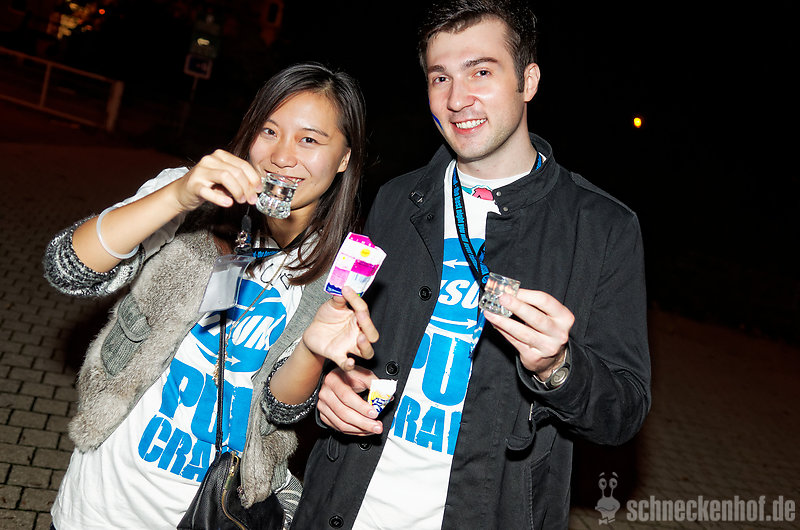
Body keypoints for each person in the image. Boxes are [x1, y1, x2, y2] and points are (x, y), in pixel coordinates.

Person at [268, 1, 651, 528]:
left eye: (481, 72)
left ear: (528, 81)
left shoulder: (602, 228)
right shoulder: (396, 200)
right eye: (440, 77)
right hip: (344, 505)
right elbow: (348, 336)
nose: (456, 99)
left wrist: (558, 367)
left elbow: (622, 414)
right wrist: (333, 386)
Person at [42, 61, 366, 529]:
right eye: (269, 131)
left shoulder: (343, 266)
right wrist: (178, 196)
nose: (282, 156)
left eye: (309, 140)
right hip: (106, 498)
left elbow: (281, 408)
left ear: (343, 158)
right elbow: (67, 270)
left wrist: (314, 351)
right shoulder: (191, 198)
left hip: (218, 510)